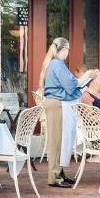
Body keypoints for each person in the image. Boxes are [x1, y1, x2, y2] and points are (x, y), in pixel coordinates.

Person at [39, 37, 80, 188]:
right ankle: (55, 177)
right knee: (57, 142)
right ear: (63, 49)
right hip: (57, 104)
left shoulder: (51, 63)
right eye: (68, 49)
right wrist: (81, 80)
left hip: (54, 103)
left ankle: (59, 174)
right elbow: (70, 84)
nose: (68, 52)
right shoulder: (58, 63)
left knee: (58, 141)